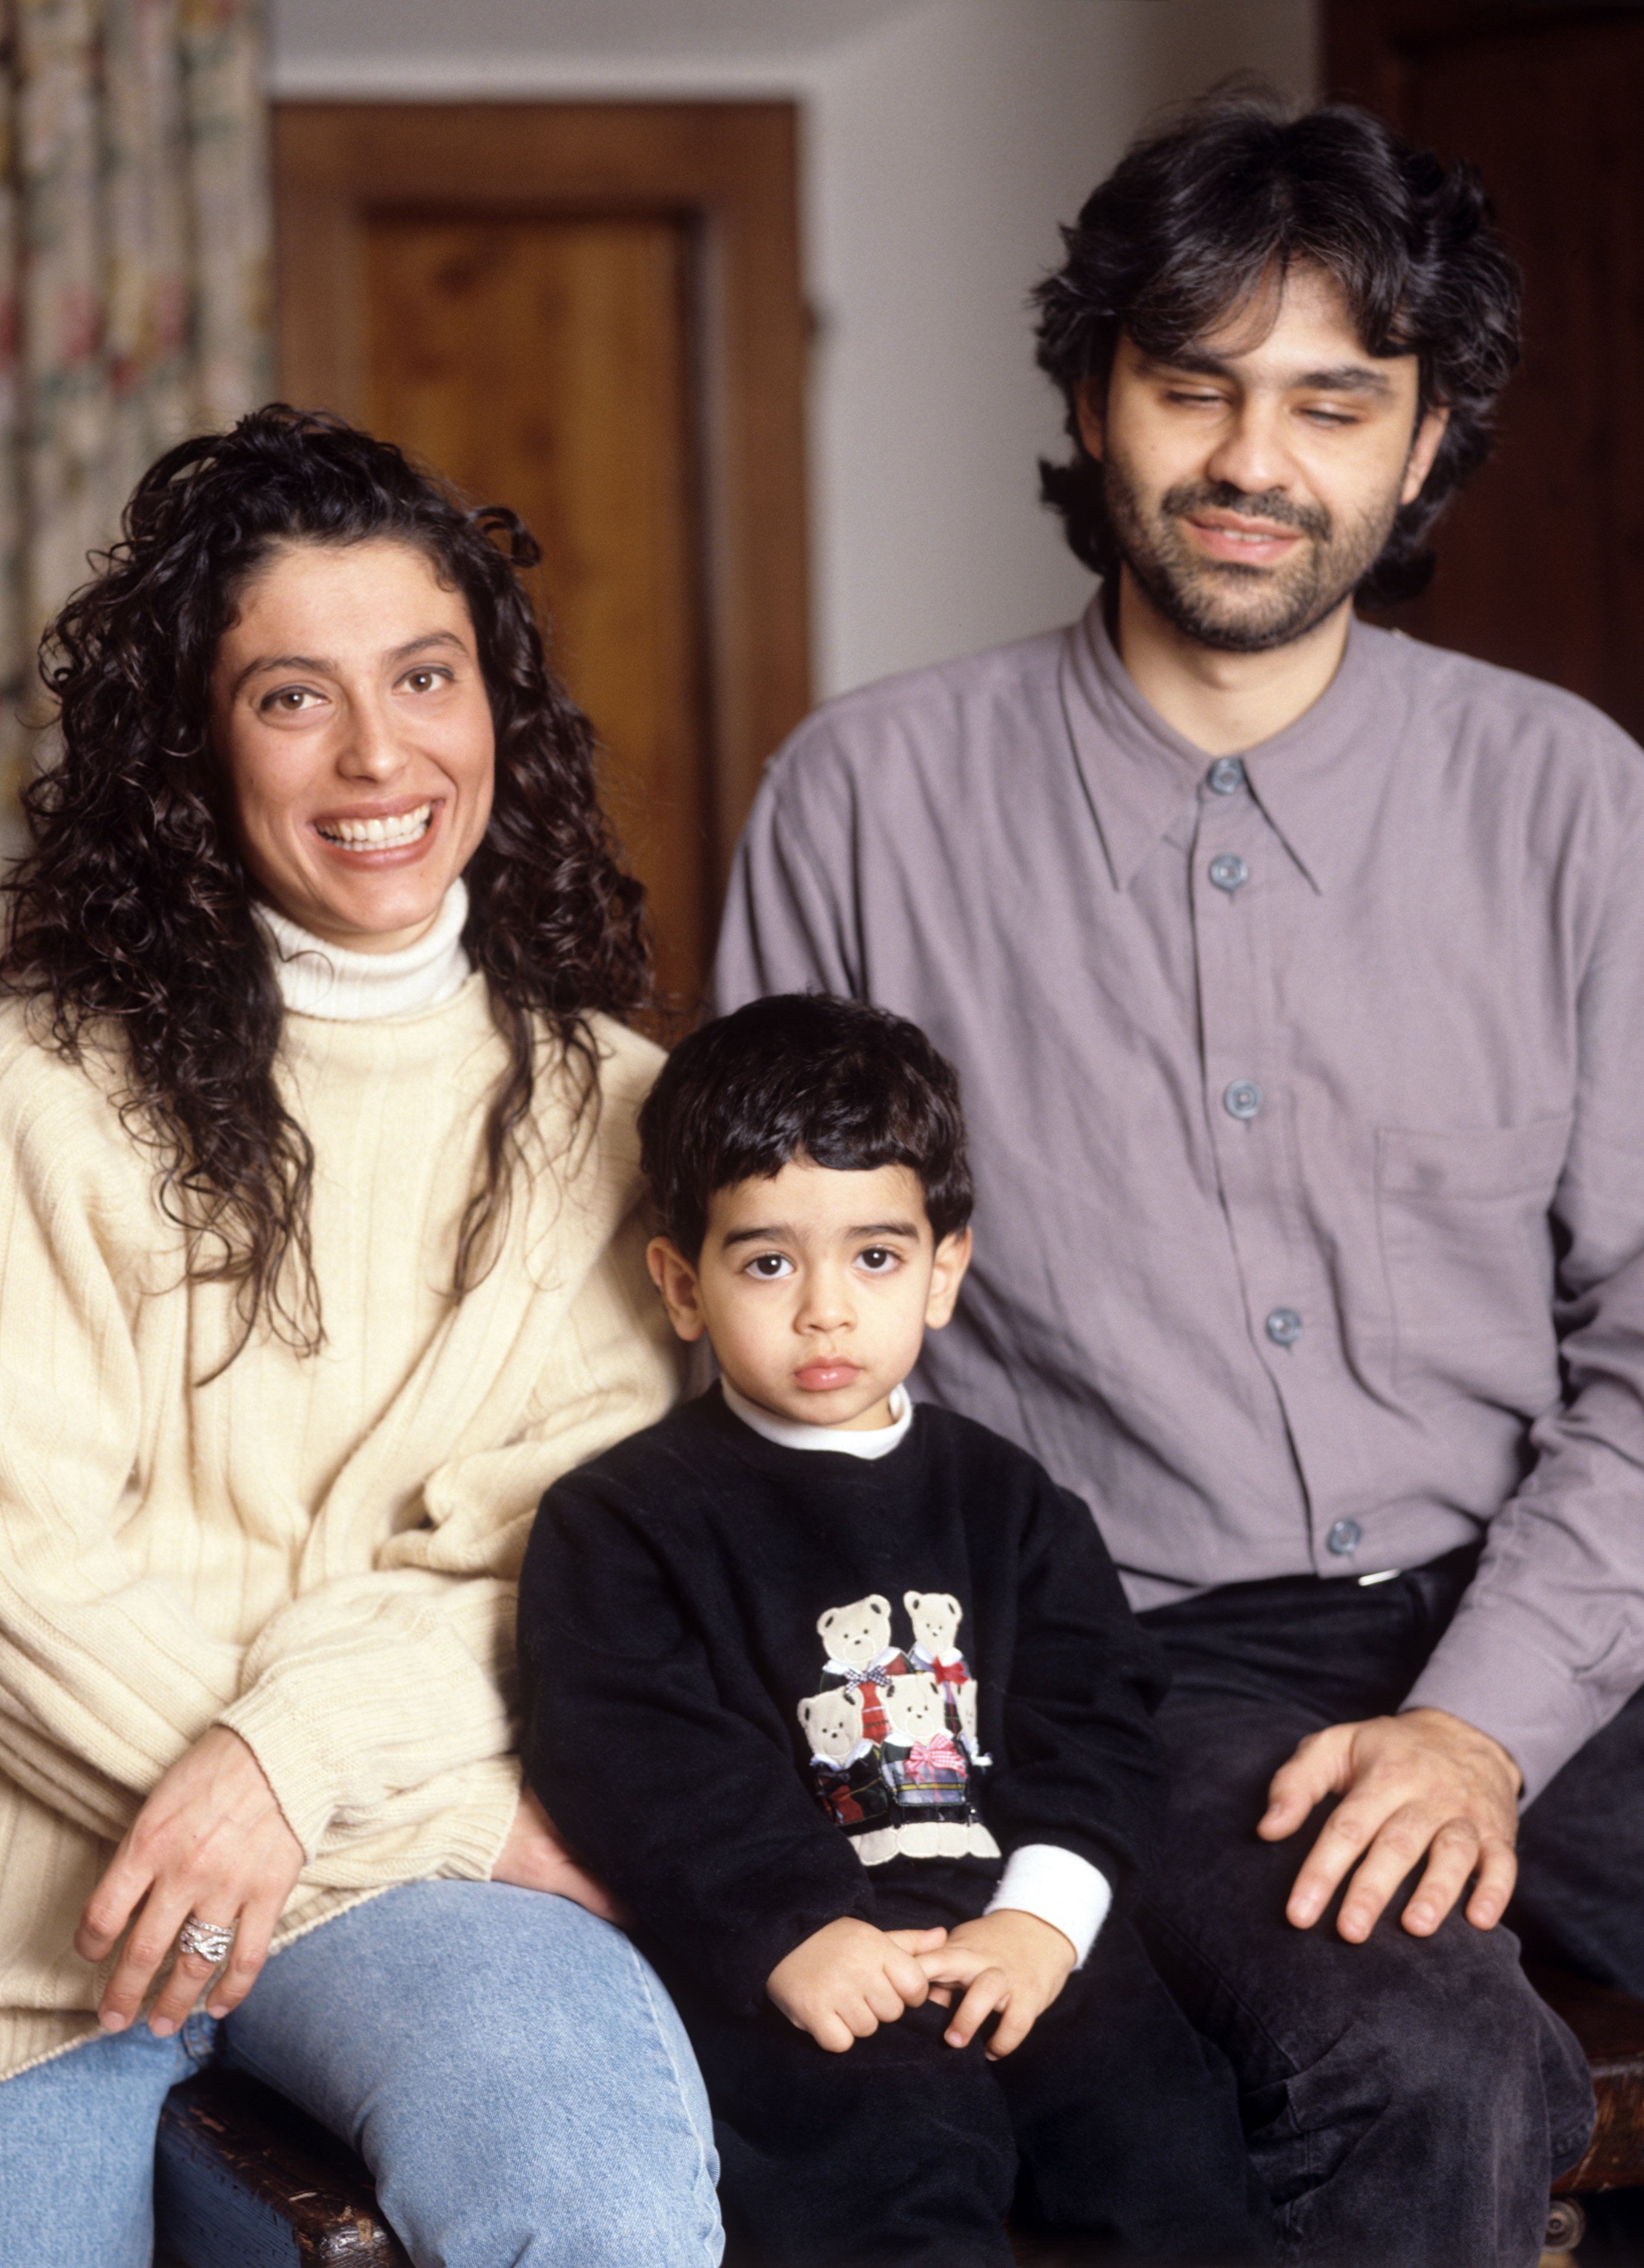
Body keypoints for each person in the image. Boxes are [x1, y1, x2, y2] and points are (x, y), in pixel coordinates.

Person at [710, 90, 1644, 2268]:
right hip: (1132, 1669)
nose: (1252, 462)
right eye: (1190, 385)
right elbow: (793, 1377)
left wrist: (1475, 1727)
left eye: (1333, 402)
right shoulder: (863, 802)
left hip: (1557, 1607)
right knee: (1429, 2062)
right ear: (1089, 400)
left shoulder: (1569, 805)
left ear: (1418, 448)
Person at [0, 406, 722, 2268]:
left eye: (424, 675)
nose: (379, 753)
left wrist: (288, 1763)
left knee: (597, 2200)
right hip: (14, 1919)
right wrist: (387, 1808)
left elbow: (547, 1560)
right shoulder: (43, 1082)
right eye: (292, 699)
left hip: (405, 1883)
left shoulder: (621, 1118)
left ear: (500, 710)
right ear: (195, 748)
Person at [518, 993, 1267, 2267]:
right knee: (888, 2178)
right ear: (677, 1282)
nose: (822, 1310)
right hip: (811, 1966)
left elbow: (1094, 1721)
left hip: (1013, 1937)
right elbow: (635, 1758)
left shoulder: (1010, 1503)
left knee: (1169, 2152)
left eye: (873, 1256)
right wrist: (789, 1931)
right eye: (765, 1260)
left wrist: (1041, 1918)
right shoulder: (624, 1519)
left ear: (943, 1269)